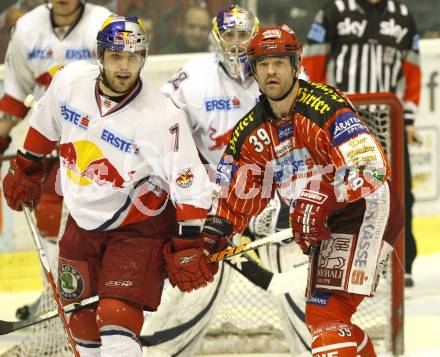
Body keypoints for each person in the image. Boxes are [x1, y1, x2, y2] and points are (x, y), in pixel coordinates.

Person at [2, 15, 215, 356]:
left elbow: (190, 183)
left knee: (117, 318)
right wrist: (25, 167)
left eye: (133, 56)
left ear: (143, 58)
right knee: (82, 325)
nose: (125, 66)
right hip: (81, 222)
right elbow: (44, 125)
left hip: (138, 228)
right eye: (117, 55)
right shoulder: (69, 82)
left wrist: (186, 243)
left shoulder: (163, 116)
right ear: (100, 55)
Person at [207, 24, 404, 356]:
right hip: (326, 224)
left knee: (325, 313)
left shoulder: (325, 105)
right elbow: (238, 191)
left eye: (280, 62)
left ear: (296, 65)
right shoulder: (252, 130)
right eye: (263, 64)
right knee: (325, 316)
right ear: (252, 70)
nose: (272, 71)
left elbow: (371, 168)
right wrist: (214, 233)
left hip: (364, 211)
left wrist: (325, 196)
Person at [141, 5, 311, 357]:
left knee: (300, 295)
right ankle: (157, 353)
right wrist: (197, 187)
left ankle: (316, 350)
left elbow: (306, 143)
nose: (236, 44)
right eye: (229, 35)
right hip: (216, 200)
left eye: (243, 35)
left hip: (276, 197)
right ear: (216, 40)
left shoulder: (285, 73)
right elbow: (164, 133)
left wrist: (289, 199)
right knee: (196, 289)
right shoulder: (193, 78)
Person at [0, 0, 112, 326]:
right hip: (49, 143)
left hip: (98, 145)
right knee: (50, 220)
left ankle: (103, 297)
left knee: (99, 223)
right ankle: (58, 299)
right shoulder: (28, 28)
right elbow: (16, 91)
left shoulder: (103, 24)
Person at [302, 0, 420, 286]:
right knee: (342, 189)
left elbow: (411, 69)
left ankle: (400, 261)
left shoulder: (402, 16)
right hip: (343, 119)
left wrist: (408, 118)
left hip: (387, 118)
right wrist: (312, 111)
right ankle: (338, 261)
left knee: (400, 191)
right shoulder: (334, 11)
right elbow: (313, 63)